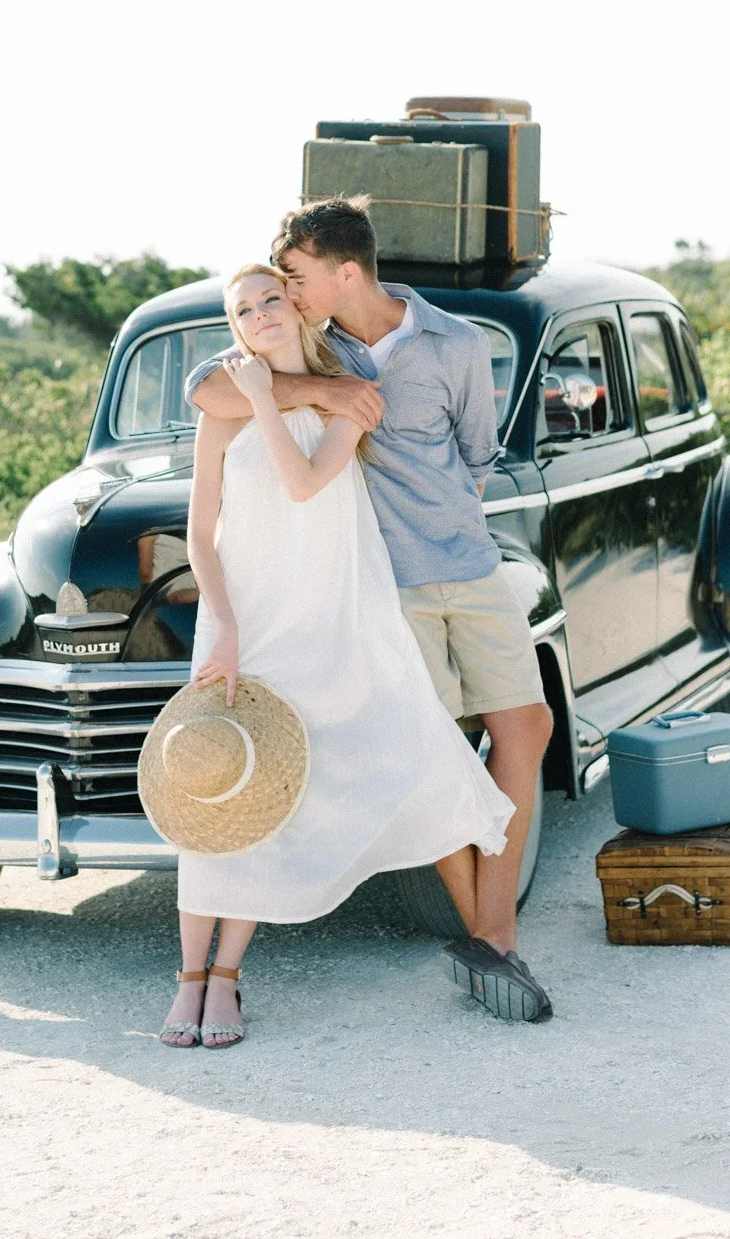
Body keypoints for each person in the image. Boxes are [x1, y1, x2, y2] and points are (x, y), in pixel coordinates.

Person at [186, 197, 556, 1022]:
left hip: (467, 561)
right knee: (432, 746)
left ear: (343, 271)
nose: (284, 294)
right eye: (272, 289)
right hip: (387, 583)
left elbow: (474, 458)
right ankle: (492, 941)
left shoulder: (456, 342)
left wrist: (443, 516)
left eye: (294, 278)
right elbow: (212, 386)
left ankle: (490, 933)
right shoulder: (316, 350)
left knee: (526, 727)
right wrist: (317, 383)